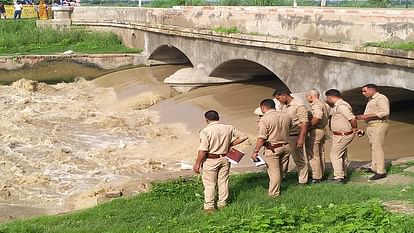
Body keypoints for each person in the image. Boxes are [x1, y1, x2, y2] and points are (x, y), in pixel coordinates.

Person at [193, 110, 247, 213]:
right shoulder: (229, 128)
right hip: (225, 158)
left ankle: (209, 206)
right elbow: (244, 136)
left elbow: (203, 149)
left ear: (206, 120)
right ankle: (222, 203)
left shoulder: (205, 131)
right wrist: (231, 144)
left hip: (211, 159)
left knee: (210, 183)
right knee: (223, 181)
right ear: (218, 118)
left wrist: (197, 163)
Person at [251, 99, 291, 197]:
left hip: (273, 148)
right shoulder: (286, 115)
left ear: (263, 108)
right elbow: (289, 128)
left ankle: (274, 194)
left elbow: (262, 138)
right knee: (282, 169)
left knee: (274, 172)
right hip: (286, 146)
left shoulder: (265, 119)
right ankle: (279, 186)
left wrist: (255, 151)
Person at [273, 89, 309, 185]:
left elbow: (304, 123)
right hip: (284, 136)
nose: (278, 100)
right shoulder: (284, 106)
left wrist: (301, 138)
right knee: (283, 158)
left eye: (278, 98)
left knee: (299, 159)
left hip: (295, 136)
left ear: (284, 95)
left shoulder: (299, 105)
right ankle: (282, 177)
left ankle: (303, 181)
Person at [357, 84, 390, 180]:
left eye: (364, 91)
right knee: (373, 147)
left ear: (372, 90)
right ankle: (374, 167)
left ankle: (381, 171)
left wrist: (365, 116)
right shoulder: (371, 99)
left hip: (379, 125)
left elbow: (385, 112)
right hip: (371, 126)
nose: (363, 93)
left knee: (378, 148)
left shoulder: (381, 98)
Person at [325, 89, 358, 184]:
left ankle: (339, 177)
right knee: (342, 155)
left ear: (330, 97)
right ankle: (343, 174)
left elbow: (352, 118)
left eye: (327, 98)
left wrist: (355, 128)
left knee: (334, 155)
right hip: (340, 135)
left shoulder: (341, 106)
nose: (327, 99)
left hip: (343, 135)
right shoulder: (339, 105)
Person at [305, 89, 329, 183]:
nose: (306, 98)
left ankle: (316, 177)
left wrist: (309, 127)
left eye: (307, 97)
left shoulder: (316, 104)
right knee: (320, 153)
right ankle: (321, 173)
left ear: (311, 96)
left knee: (313, 154)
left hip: (315, 131)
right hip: (322, 130)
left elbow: (317, 117)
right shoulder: (323, 104)